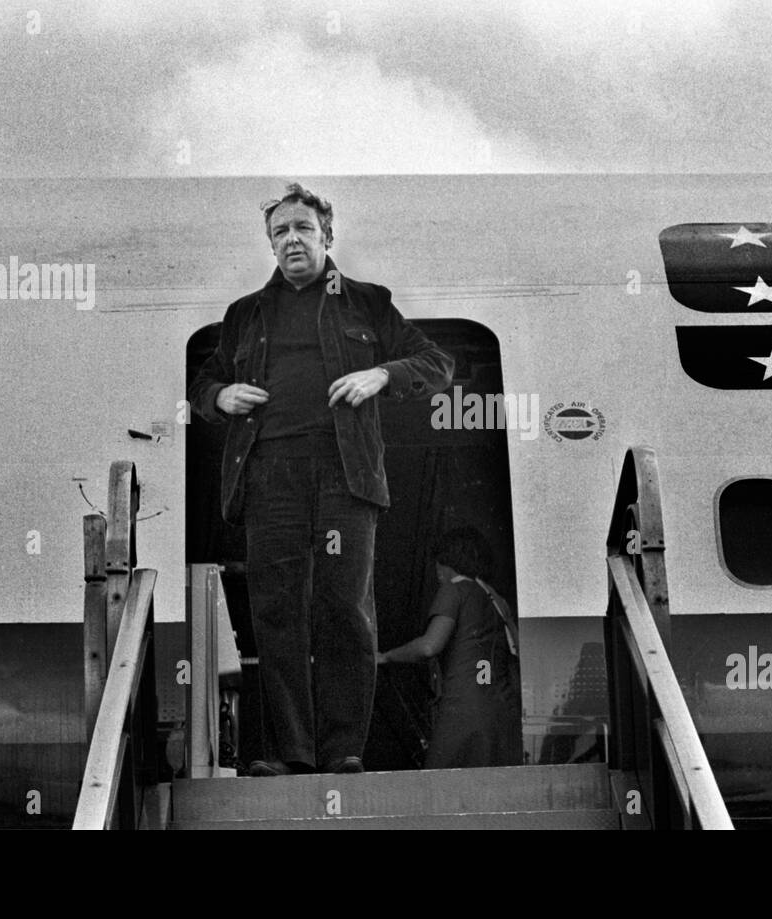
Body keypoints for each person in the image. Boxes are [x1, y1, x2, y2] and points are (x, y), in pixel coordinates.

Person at [188, 183, 454, 775]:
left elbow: (437, 364)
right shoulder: (245, 316)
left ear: (326, 237)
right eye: (280, 231)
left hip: (345, 477)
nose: (291, 240)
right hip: (269, 479)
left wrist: (383, 374)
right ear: (271, 244)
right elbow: (200, 389)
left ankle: (344, 751)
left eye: (302, 228)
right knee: (277, 613)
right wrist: (221, 394)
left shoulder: (367, 303)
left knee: (344, 609)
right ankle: (291, 755)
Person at [377, 527, 522, 769]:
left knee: (441, 792)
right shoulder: (497, 600)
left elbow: (429, 647)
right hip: (503, 714)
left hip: (463, 712)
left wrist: (386, 657)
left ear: (446, 564)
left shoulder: (454, 589)